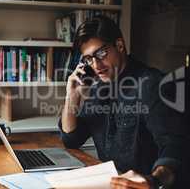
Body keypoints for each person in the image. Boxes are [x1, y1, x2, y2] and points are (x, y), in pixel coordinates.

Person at [59, 16, 187, 189]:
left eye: (101, 53)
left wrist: (153, 180)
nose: (96, 65)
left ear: (119, 46)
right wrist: (72, 96)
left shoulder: (152, 84)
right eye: (89, 59)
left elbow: (174, 147)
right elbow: (71, 138)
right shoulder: (100, 87)